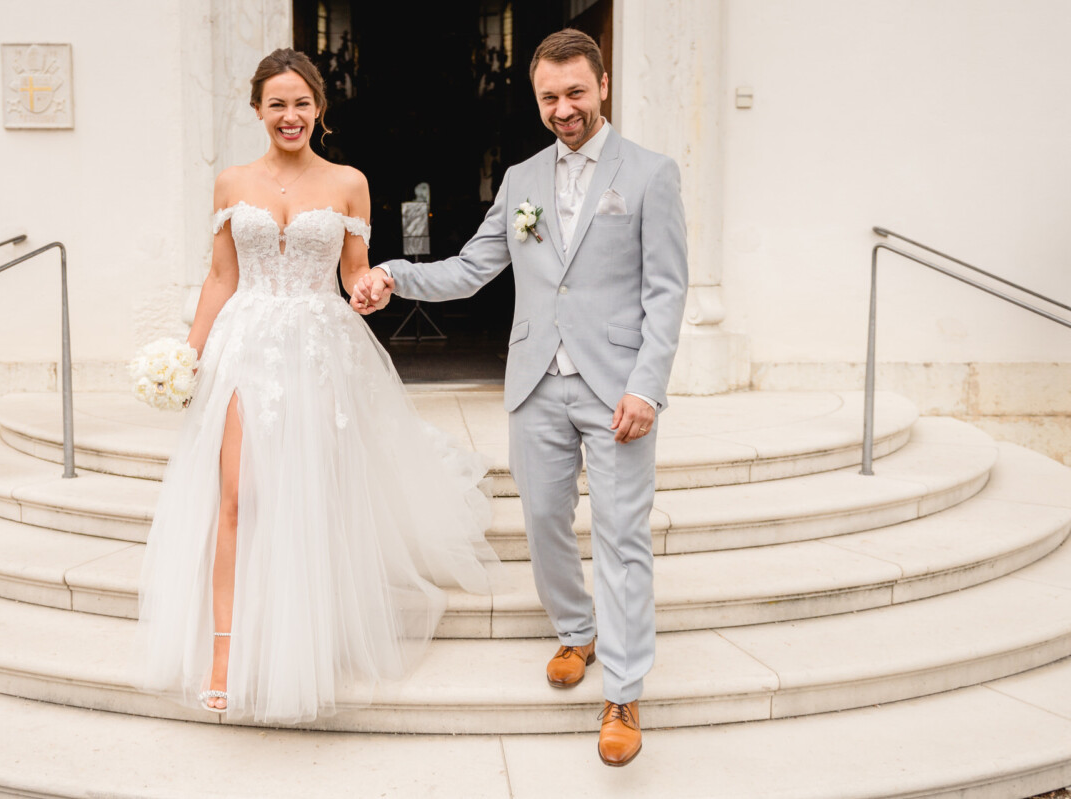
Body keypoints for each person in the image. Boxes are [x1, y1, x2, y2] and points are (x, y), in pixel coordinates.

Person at [132, 48, 500, 724]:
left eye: (302, 103)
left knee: (310, 489)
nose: (290, 115)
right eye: (277, 103)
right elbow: (220, 276)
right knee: (237, 495)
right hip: (244, 344)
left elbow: (352, 272)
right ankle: (223, 649)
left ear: (319, 108)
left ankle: (311, 636)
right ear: (257, 110)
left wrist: (369, 289)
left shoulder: (349, 183)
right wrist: (189, 353)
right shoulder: (229, 182)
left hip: (318, 346)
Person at [353, 29, 688, 766]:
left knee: (623, 538)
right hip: (536, 380)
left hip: (617, 390)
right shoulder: (521, 181)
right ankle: (576, 629)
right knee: (541, 521)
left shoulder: (651, 174)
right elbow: (472, 269)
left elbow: (667, 290)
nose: (563, 108)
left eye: (575, 92)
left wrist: (648, 388)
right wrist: (395, 274)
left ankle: (624, 691)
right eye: (549, 96)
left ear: (602, 86)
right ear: (537, 99)